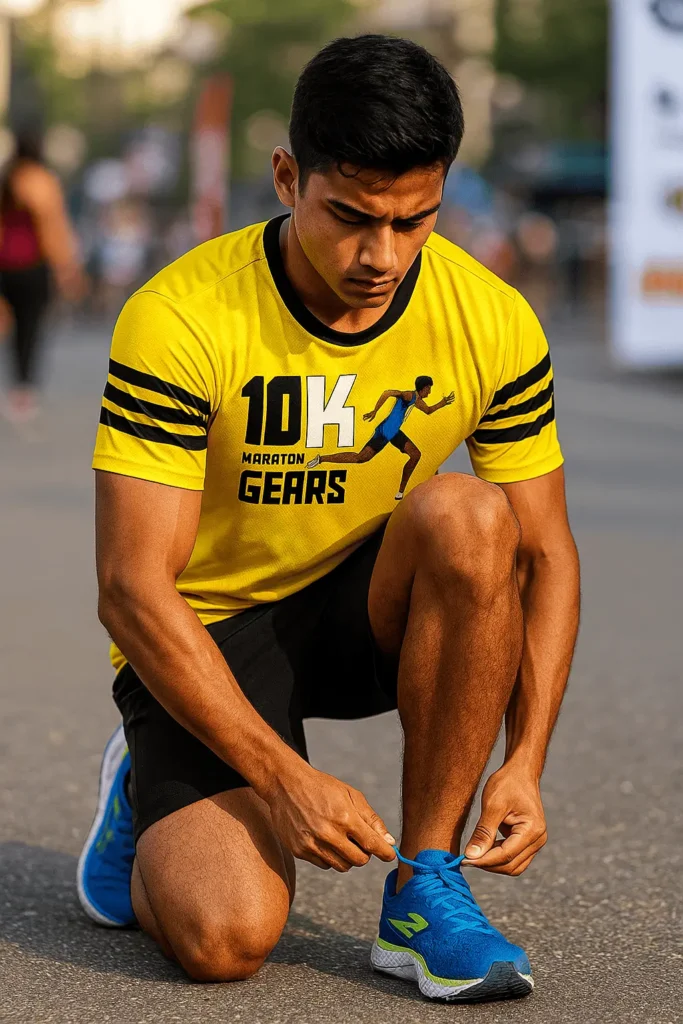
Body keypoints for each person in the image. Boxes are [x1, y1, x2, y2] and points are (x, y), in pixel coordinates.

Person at [77, 35, 579, 1004]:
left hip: (366, 610)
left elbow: (547, 554)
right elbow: (131, 589)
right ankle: (143, 781)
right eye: (350, 217)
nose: (379, 255)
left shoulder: (492, 318)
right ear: (286, 177)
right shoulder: (180, 317)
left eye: (412, 221)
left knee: (473, 516)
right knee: (224, 940)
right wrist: (280, 778)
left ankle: (424, 886)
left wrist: (523, 762)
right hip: (209, 630)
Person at [0, 132, 84, 422]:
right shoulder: (43, 181)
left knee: (12, 327)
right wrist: (66, 267)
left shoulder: (7, 178)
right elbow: (52, 228)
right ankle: (24, 388)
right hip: (33, 266)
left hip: (6, 265)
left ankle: (19, 384)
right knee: (31, 326)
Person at [307, 376, 455, 499]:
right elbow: (387, 392)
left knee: (415, 455)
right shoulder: (409, 395)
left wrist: (442, 403)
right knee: (360, 458)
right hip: (385, 432)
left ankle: (400, 493)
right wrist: (375, 411)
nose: (430, 391)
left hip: (394, 433)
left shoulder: (417, 400)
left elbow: (428, 410)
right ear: (424, 387)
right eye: (429, 388)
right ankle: (321, 459)